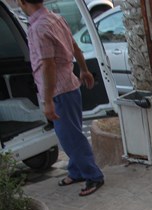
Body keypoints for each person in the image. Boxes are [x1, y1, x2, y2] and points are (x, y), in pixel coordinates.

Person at [18, 0, 104, 196]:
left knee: (71, 138)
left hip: (60, 92)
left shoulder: (39, 27)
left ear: (22, 2)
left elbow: (48, 65)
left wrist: (48, 101)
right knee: (70, 133)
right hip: (69, 86)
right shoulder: (55, 18)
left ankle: (93, 176)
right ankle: (77, 171)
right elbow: (74, 45)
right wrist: (83, 69)